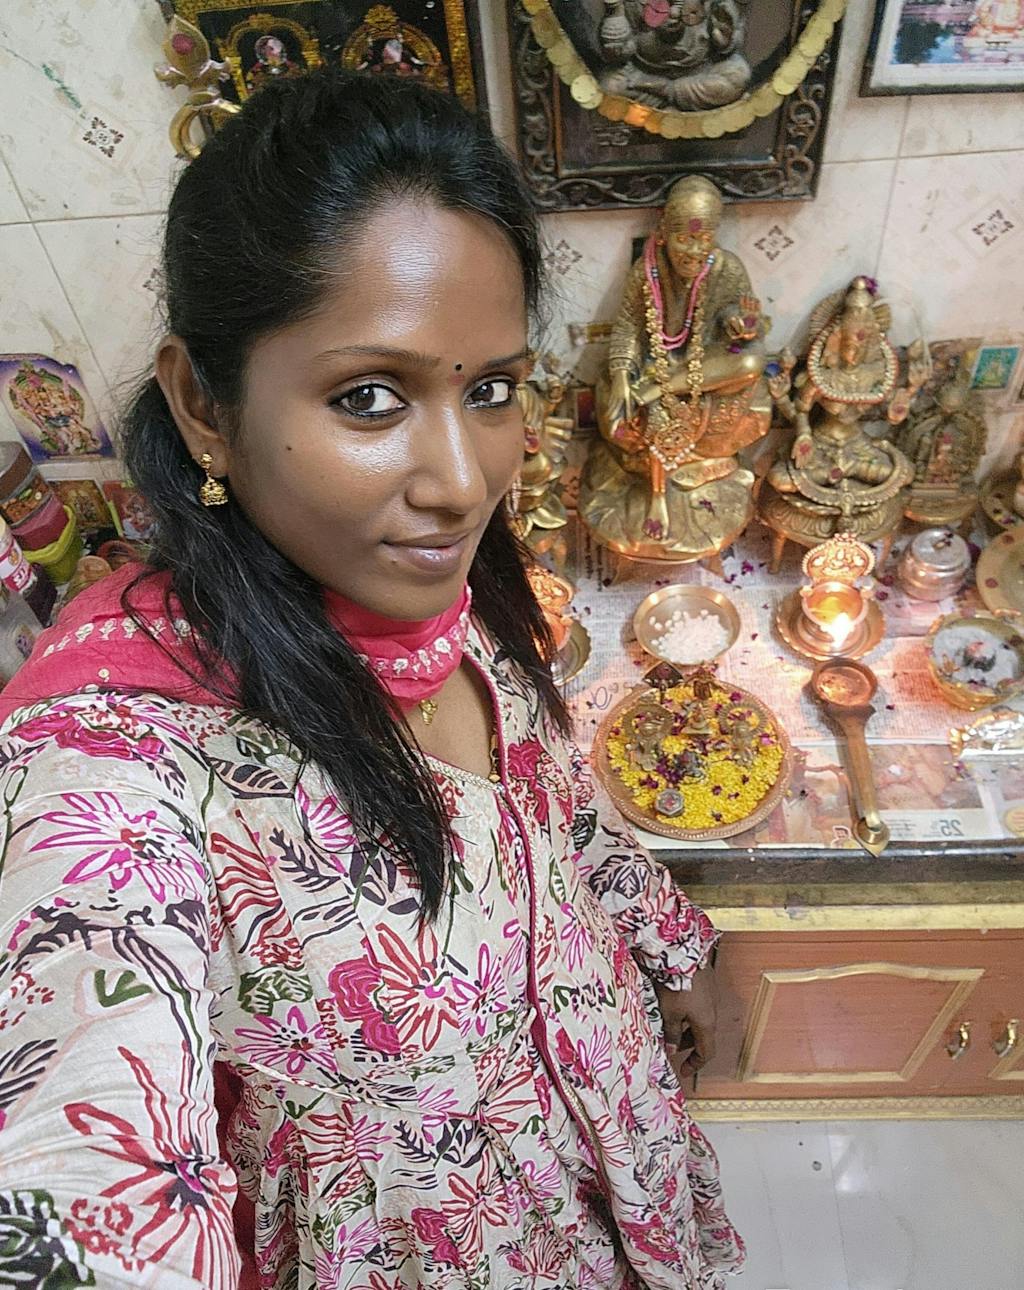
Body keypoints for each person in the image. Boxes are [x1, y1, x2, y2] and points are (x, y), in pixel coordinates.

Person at [0, 69, 743, 1289]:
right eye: (368, 397)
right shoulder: (118, 759)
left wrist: (672, 945)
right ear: (203, 406)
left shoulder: (440, 588)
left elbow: (550, 807)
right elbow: (80, 1168)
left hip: (611, 1130)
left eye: (490, 389)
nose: (462, 481)